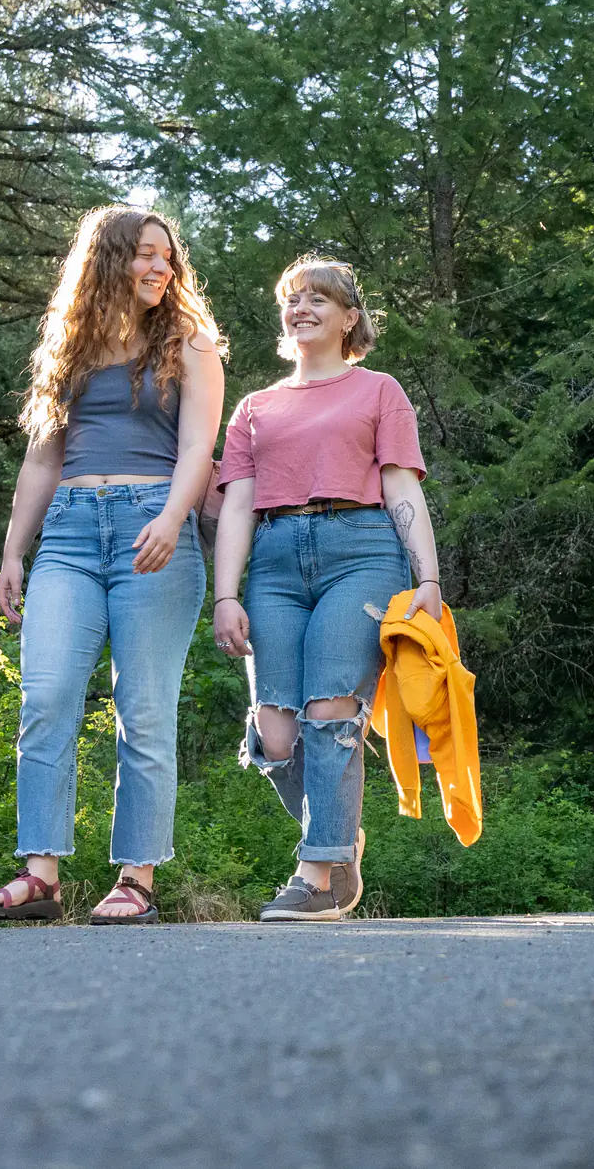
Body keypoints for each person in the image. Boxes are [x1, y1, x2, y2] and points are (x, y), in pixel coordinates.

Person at [0, 207, 225, 926]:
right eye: (146, 254)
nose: (161, 269)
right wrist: (14, 549)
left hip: (153, 526)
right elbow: (43, 456)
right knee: (46, 697)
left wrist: (173, 519)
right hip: (71, 536)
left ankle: (136, 878)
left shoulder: (190, 343)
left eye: (168, 258)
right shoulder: (70, 346)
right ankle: (40, 875)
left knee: (142, 710)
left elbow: (197, 450)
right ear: (109, 258)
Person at [209, 257, 443, 922]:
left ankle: (317, 873)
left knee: (333, 711)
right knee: (275, 734)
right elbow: (236, 507)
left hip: (361, 551)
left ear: (350, 317)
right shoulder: (256, 407)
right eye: (292, 298)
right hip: (276, 563)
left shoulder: (379, 391)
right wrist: (227, 595)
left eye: (320, 297)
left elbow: (401, 485)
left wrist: (427, 576)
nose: (302, 307)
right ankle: (340, 838)